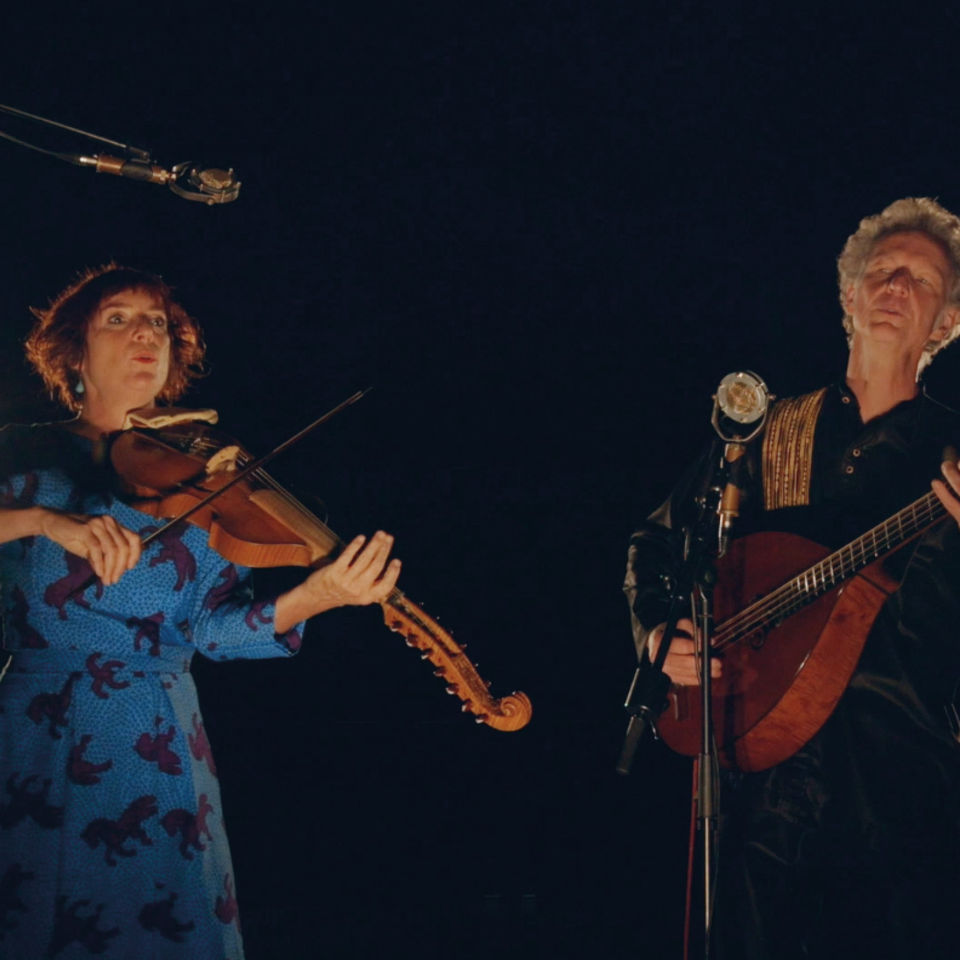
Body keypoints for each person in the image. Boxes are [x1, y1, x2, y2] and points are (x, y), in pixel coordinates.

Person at [0, 265, 401, 959]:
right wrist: (43, 520)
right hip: (31, 731)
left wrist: (319, 594)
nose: (144, 333)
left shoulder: (202, 478)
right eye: (118, 319)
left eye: (157, 321)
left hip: (154, 740)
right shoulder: (20, 449)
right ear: (74, 353)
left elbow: (213, 630)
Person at [624, 198, 960, 959]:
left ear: (945, 323)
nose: (897, 287)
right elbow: (657, 540)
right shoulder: (773, 428)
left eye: (922, 281)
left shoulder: (951, 447)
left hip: (901, 792)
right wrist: (657, 631)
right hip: (757, 791)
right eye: (883, 271)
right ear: (848, 297)